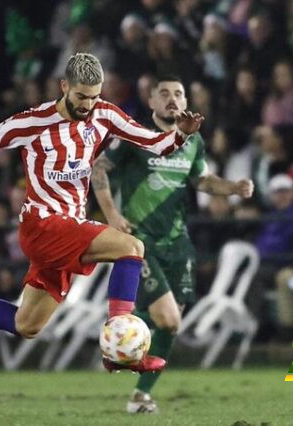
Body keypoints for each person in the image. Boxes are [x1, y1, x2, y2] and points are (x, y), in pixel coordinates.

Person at [0, 53, 203, 373]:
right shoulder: (34, 122)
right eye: (81, 96)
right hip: (41, 225)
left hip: (70, 226)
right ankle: (119, 347)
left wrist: (180, 134)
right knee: (132, 247)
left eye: (95, 96)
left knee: (27, 324)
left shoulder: (104, 114)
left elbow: (155, 144)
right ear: (64, 86)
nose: (88, 105)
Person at [91, 75, 253, 413]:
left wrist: (234, 188)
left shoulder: (192, 142)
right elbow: (98, 169)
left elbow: (203, 181)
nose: (172, 99)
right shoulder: (134, 137)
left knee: (171, 322)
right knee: (168, 319)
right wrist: (112, 216)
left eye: (178, 93)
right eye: (163, 93)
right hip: (140, 240)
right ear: (151, 102)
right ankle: (119, 339)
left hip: (178, 243)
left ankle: (138, 390)